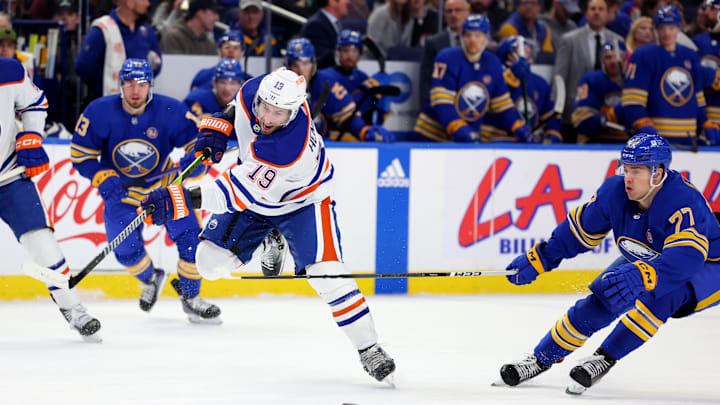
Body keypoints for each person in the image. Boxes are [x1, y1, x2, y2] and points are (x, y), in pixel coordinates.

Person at [139, 67, 397, 383]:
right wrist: (220, 125)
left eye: (278, 113)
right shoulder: (253, 90)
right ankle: (268, 240)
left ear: (293, 111)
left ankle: (368, 348)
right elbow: (238, 106)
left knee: (327, 277)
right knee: (207, 263)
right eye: (265, 107)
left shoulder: (288, 148)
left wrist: (175, 199)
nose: (268, 118)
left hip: (303, 203)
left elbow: (228, 193)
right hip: (256, 196)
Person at [496, 133, 720, 395]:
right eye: (626, 168)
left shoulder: (683, 201)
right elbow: (576, 231)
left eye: (637, 170)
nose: (628, 176)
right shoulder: (614, 193)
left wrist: (643, 275)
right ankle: (540, 358)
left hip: (708, 265)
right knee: (605, 296)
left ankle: (605, 357)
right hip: (649, 257)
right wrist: (542, 257)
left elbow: (686, 258)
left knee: (660, 299)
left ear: (658, 174)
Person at [70, 59, 222, 323]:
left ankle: (190, 297)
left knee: (192, 241)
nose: (135, 90)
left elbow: (198, 149)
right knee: (126, 252)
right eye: (129, 83)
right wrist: (101, 176)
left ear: (150, 84)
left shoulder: (171, 110)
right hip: (122, 195)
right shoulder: (98, 111)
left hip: (164, 192)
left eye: (141, 83)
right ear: (120, 85)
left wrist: (193, 163)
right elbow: (80, 156)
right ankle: (152, 278)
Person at [0, 57, 102, 341]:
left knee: (44, 246)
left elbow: (34, 102)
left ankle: (75, 311)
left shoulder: (9, 70)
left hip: (8, 176)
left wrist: (32, 134)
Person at [412, 15, 534, 143]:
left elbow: (502, 105)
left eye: (478, 36)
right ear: (462, 37)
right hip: (431, 137)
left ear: (486, 39)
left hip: (466, 138)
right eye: (468, 35)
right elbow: (441, 100)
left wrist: (518, 127)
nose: (472, 40)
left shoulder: (493, 63)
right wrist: (457, 126)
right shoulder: (446, 58)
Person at [622, 5, 720, 146]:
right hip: (656, 144)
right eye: (662, 28)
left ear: (679, 29)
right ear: (656, 29)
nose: (667, 33)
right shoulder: (643, 56)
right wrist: (643, 125)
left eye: (672, 28)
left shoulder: (691, 56)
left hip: (689, 142)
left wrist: (705, 123)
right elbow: (632, 103)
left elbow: (698, 102)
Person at [287, 38, 394, 143]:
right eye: (295, 65)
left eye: (305, 64)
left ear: (313, 64)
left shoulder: (325, 83)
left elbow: (348, 116)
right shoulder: (276, 83)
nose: (300, 71)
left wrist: (364, 131)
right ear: (287, 66)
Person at [555, 0, 623, 130]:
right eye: (593, 9)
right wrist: (557, 110)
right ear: (586, 13)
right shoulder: (569, 40)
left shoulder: (617, 41)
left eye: (601, 9)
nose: (596, 12)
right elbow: (559, 77)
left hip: (610, 114)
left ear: (608, 13)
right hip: (575, 112)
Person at [74, 0, 162, 99]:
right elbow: (83, 67)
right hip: (108, 101)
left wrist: (139, 85)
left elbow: (157, 63)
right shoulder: (103, 28)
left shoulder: (147, 30)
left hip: (140, 103)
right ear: (129, 2)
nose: (148, 4)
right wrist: (102, 86)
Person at [486, 35, 562, 143]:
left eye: (528, 49)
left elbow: (551, 114)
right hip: (500, 141)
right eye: (521, 49)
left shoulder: (539, 82)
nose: (527, 52)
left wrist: (553, 134)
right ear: (509, 56)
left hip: (532, 143)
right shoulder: (495, 77)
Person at [572, 40, 628, 143]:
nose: (613, 61)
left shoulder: (634, 80)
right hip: (595, 143)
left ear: (625, 59)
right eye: (608, 57)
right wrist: (612, 116)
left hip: (626, 143)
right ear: (602, 61)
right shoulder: (591, 80)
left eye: (617, 56)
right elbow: (581, 121)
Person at [419, 0, 469, 107]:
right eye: (449, 11)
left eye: (458, 10)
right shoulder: (433, 42)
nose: (453, 14)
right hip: (442, 103)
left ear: (467, 13)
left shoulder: (477, 41)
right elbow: (426, 80)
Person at [693, 0, 720, 127]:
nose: (706, 12)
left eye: (712, 9)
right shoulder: (697, 41)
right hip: (703, 116)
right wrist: (706, 74)